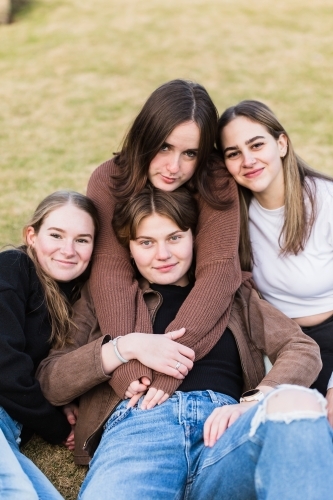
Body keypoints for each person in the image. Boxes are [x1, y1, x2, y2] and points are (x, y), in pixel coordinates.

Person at [37, 187, 328, 499]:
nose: (162, 254)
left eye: (174, 237)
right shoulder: (107, 297)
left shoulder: (234, 295)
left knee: (300, 406)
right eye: (146, 242)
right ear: (130, 249)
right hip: (139, 430)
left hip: (224, 431)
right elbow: (52, 379)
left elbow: (301, 348)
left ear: (193, 238)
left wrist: (253, 402)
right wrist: (124, 347)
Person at [86, 79, 243, 406]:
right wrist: (130, 365)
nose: (174, 167)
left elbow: (218, 272)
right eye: (165, 147)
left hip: (195, 311)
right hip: (139, 309)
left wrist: (172, 364)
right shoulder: (109, 179)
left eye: (190, 153)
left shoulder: (214, 179)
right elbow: (110, 272)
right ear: (146, 137)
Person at [217, 100, 333, 423]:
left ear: (281, 144)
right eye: (233, 153)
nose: (248, 160)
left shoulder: (325, 200)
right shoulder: (235, 217)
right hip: (284, 344)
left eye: (256, 145)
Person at [0, 191, 98, 500]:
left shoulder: (78, 298)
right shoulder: (14, 267)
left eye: (82, 240)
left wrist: (59, 397)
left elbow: (47, 367)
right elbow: (5, 365)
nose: (68, 250)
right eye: (56, 235)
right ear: (31, 234)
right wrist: (56, 426)